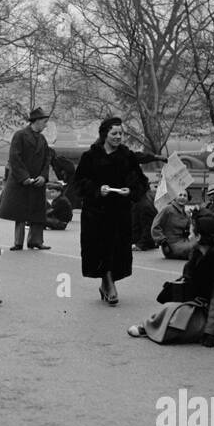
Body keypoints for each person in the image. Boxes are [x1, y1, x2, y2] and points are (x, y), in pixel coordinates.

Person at [74, 117, 163, 306]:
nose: (118, 137)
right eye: (114, 133)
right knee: (100, 250)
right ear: (105, 134)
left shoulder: (126, 156)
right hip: (95, 213)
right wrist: (98, 190)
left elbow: (141, 181)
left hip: (119, 212)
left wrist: (130, 191)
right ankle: (109, 285)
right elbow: (80, 182)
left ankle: (107, 284)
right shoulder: (90, 156)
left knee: (115, 250)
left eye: (120, 134)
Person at [128, 211, 214, 344]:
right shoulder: (197, 253)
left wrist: (210, 332)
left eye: (191, 232)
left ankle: (150, 329)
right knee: (170, 308)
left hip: (209, 313)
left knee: (177, 323)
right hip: (194, 304)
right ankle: (147, 327)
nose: (189, 235)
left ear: (199, 237)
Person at [0, 107, 52, 250]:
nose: (45, 125)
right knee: (20, 214)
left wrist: (43, 176)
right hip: (21, 182)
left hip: (37, 182)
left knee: (38, 213)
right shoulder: (20, 135)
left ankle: (36, 241)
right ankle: (18, 242)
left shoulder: (42, 139)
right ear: (37, 121)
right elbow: (15, 158)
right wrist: (24, 177)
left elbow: (47, 159)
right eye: (44, 122)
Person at [151, 187, 194, 260]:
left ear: (187, 199)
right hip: (170, 245)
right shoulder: (167, 209)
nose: (182, 197)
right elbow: (155, 227)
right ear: (175, 197)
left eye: (185, 196)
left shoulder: (186, 214)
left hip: (183, 242)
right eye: (180, 195)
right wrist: (163, 241)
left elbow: (191, 230)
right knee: (194, 252)